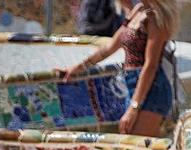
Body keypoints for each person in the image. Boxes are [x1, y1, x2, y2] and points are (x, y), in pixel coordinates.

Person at [59, 0, 177, 137]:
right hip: (132, 85)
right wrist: (77, 68)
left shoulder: (155, 18)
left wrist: (134, 107)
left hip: (151, 89)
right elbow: (108, 49)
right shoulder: (138, 10)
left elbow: (150, 66)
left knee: (136, 148)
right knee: (134, 146)